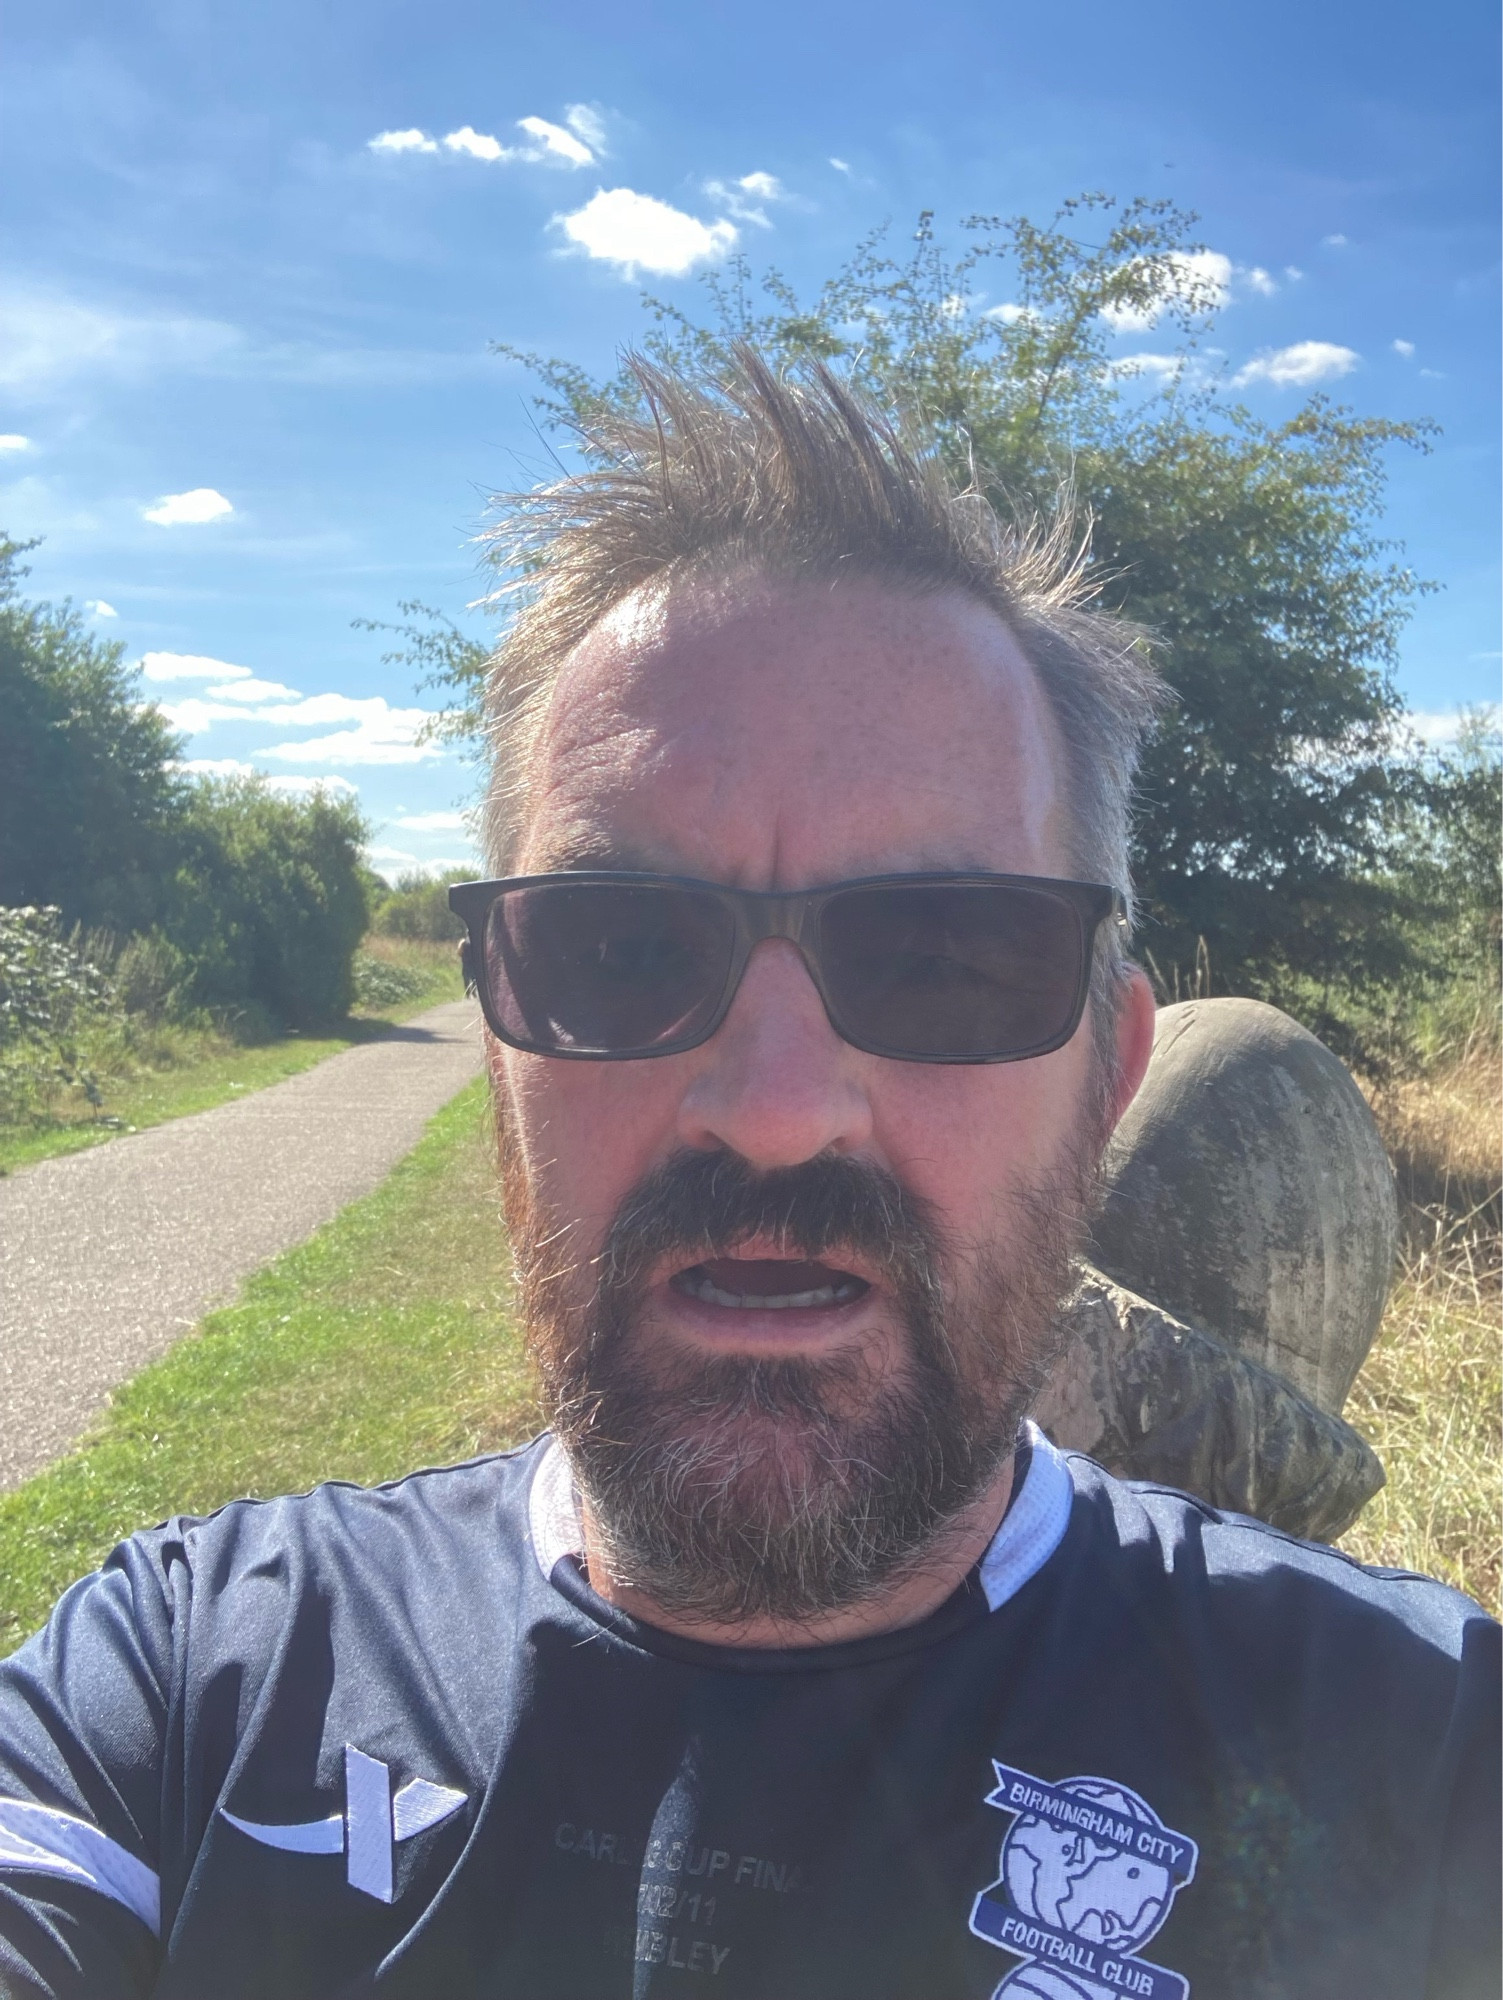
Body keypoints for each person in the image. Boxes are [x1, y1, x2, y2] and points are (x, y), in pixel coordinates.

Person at [0, 353, 1495, 2000]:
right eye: (622, 946)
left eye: (941, 957)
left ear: (1109, 1075)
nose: (777, 1112)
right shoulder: (183, 1689)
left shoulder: (1428, 1759)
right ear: (500, 1055)